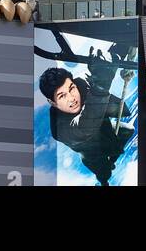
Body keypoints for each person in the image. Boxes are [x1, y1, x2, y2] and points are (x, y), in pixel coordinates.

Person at [39, 49, 131, 186]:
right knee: (105, 173)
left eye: (71, 88)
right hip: (92, 154)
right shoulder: (59, 130)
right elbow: (84, 127)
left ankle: (111, 160)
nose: (72, 99)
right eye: (62, 96)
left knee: (127, 130)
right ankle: (104, 180)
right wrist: (100, 88)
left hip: (104, 130)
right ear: (52, 102)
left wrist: (115, 54)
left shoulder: (82, 84)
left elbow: (121, 110)